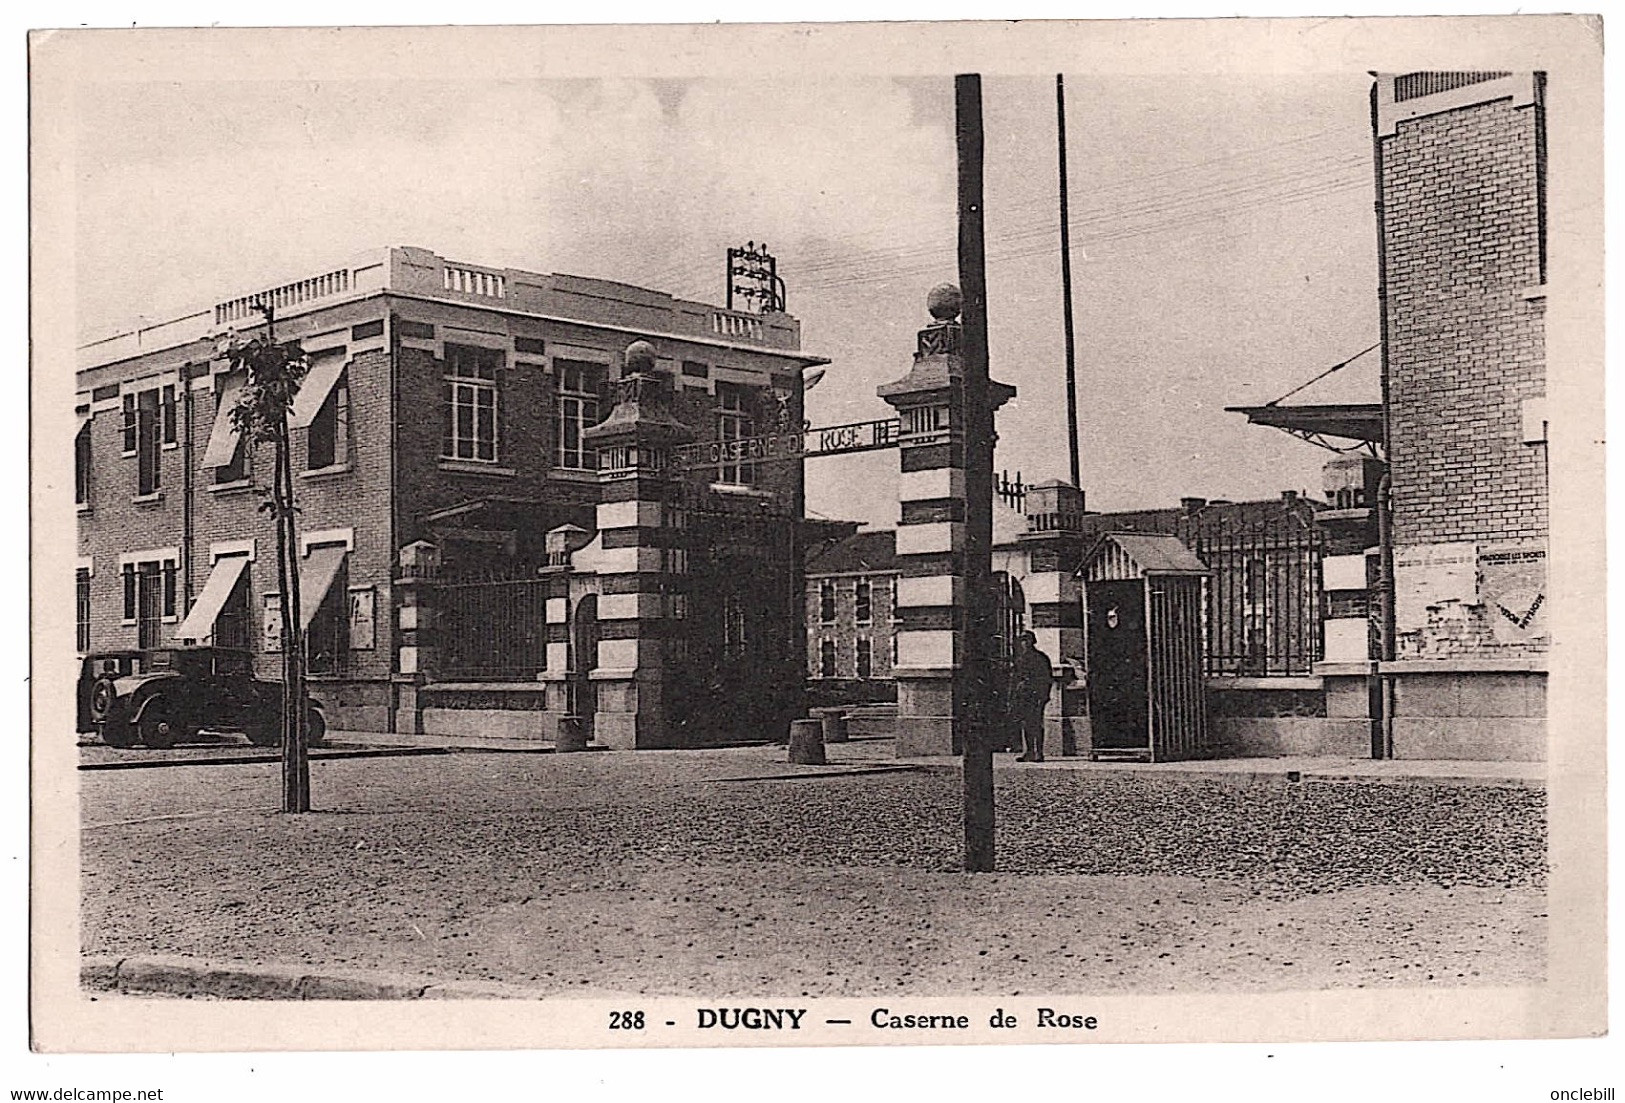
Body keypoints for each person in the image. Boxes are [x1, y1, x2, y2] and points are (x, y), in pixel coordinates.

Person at [1010, 631, 1053, 763]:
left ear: (1033, 641)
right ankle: (1028, 752)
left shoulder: (1041, 658)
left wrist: (1044, 695)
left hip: (1036, 695)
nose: (1025, 643)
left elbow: (1047, 678)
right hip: (1023, 695)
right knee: (1026, 724)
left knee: (1036, 723)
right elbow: (1016, 678)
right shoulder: (1020, 659)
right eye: (1023, 640)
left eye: (1027, 640)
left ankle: (1039, 752)